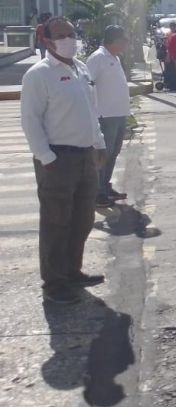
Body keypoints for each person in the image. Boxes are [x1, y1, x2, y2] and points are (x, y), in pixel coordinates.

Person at [20, 16, 107, 305]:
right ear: (46, 39)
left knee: (82, 219)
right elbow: (30, 121)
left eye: (72, 33)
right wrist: (46, 157)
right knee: (57, 222)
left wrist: (99, 144)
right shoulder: (39, 74)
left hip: (84, 156)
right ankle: (55, 283)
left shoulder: (80, 69)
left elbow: (91, 112)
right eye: (61, 35)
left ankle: (73, 271)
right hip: (57, 159)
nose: (69, 39)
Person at [87, 25, 131, 205]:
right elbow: (87, 85)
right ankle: (97, 192)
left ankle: (105, 186)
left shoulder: (114, 57)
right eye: (124, 40)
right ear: (114, 41)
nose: (126, 44)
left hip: (119, 113)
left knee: (113, 153)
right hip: (105, 115)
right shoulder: (98, 58)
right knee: (103, 154)